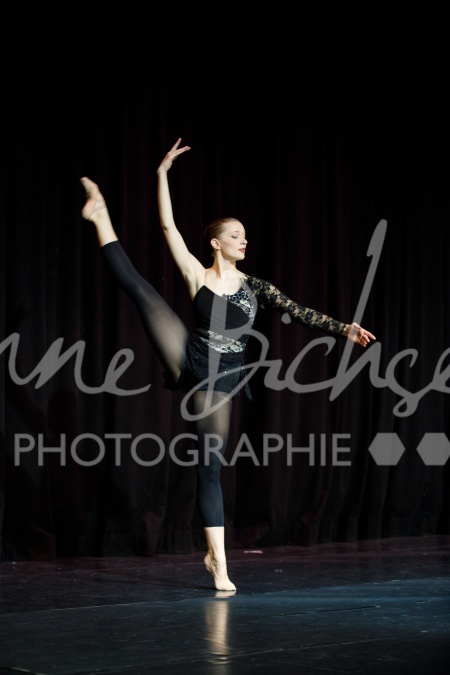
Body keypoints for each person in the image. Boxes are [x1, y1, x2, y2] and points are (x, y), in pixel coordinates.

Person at [80, 138, 376, 592]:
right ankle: (101, 217)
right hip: (189, 353)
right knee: (142, 291)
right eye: (236, 235)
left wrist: (343, 329)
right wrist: (161, 174)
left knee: (209, 466)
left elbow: (298, 311)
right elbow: (167, 226)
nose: (244, 240)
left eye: (245, 235)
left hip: (221, 377)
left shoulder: (257, 287)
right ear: (216, 243)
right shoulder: (197, 274)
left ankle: (216, 560)